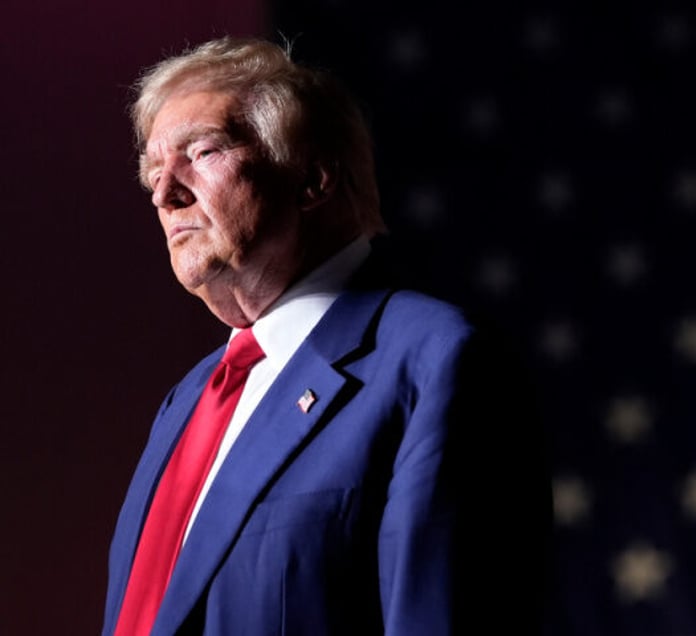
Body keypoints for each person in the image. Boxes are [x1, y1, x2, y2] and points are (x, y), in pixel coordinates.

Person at [102, 36, 552, 635]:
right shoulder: (187, 401)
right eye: (153, 174)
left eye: (203, 152)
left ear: (312, 178)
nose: (164, 194)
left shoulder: (436, 360)